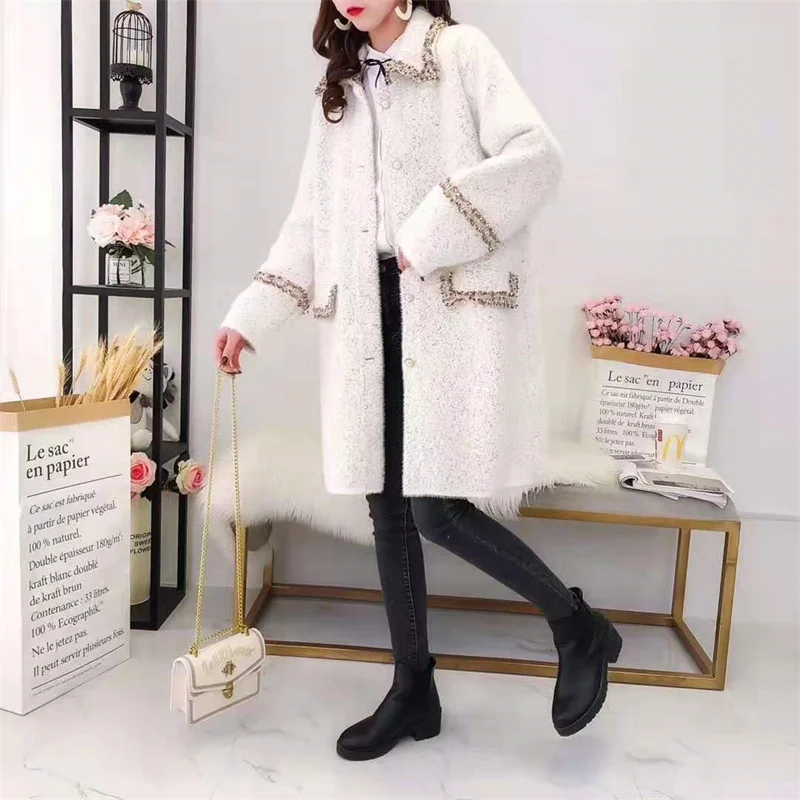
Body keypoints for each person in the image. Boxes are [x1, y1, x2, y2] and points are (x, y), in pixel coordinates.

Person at [216, 0, 622, 761]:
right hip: (364, 315)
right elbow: (310, 221)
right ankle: (413, 690)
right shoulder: (337, 90)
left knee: (436, 508)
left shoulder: (460, 53)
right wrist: (251, 316)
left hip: (443, 307)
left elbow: (535, 157)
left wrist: (430, 232)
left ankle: (576, 625)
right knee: (389, 510)